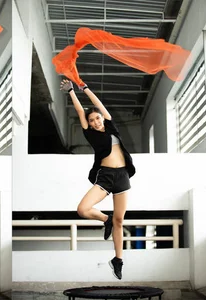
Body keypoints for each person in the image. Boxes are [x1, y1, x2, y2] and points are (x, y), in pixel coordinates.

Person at [60, 79, 136, 280]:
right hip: (105, 175)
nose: (95, 122)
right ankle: (105, 219)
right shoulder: (91, 134)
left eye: (97, 118)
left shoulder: (111, 126)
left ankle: (117, 260)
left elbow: (99, 105)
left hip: (122, 177)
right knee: (83, 209)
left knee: (120, 220)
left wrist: (85, 88)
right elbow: (79, 112)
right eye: (92, 120)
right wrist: (71, 93)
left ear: (102, 117)